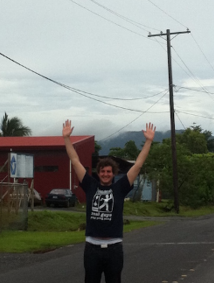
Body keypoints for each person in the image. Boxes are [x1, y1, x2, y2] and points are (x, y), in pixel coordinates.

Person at [62, 119, 155, 283]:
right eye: (103, 171)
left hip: (114, 248)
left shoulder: (120, 188)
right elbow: (75, 161)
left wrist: (148, 141)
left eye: (109, 171)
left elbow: (138, 165)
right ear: (98, 173)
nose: (105, 174)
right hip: (92, 248)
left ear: (114, 174)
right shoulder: (90, 186)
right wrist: (67, 139)